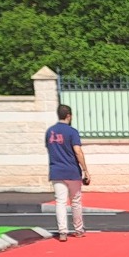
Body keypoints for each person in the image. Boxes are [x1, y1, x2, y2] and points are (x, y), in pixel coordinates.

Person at [45, 104, 89, 242]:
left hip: (56, 171)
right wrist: (85, 170)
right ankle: (79, 229)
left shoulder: (50, 132)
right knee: (75, 201)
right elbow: (78, 151)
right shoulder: (72, 132)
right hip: (72, 171)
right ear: (69, 115)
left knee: (60, 202)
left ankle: (62, 232)